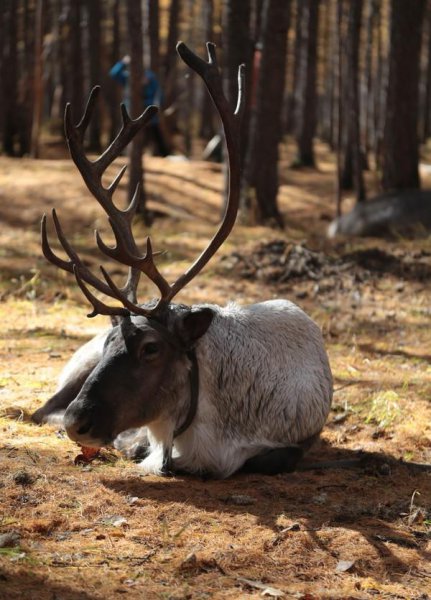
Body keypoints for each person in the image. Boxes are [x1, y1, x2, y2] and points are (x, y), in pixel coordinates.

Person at [109, 56, 171, 157]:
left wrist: (149, 105)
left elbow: (159, 96)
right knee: (128, 134)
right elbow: (114, 74)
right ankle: (121, 153)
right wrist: (123, 63)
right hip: (132, 113)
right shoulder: (129, 77)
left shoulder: (151, 79)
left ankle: (164, 154)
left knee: (154, 133)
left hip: (148, 114)